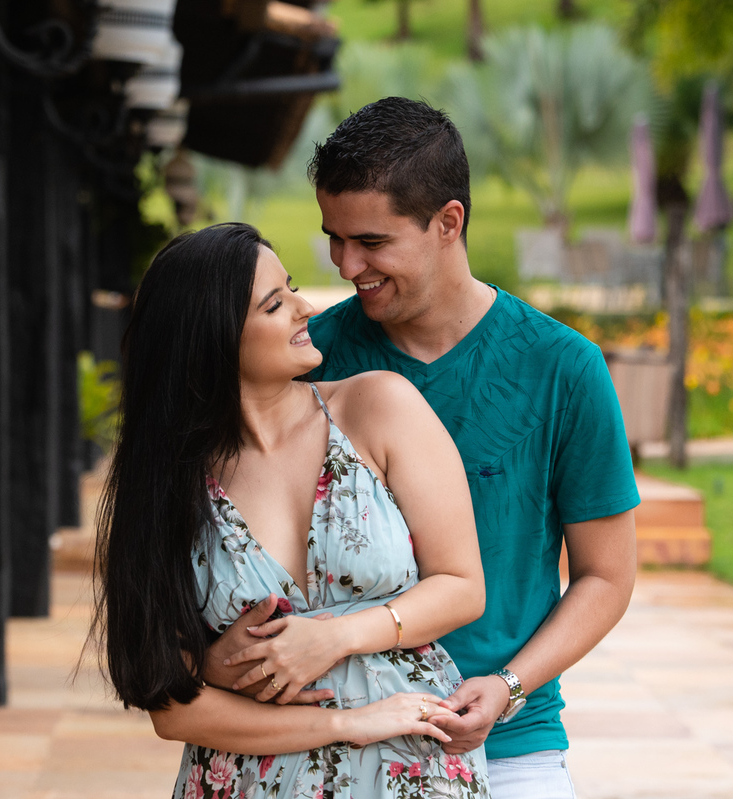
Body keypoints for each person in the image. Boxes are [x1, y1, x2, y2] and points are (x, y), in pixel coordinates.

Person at [207, 97, 640, 798]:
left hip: (510, 745)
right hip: (334, 746)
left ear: (448, 222)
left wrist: (510, 685)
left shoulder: (564, 368)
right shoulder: (309, 359)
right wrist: (217, 658)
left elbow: (607, 576)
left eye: (371, 241)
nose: (347, 265)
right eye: (333, 238)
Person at [93, 222, 492, 798]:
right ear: (214, 336)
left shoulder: (379, 407)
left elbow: (461, 587)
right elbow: (171, 706)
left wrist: (336, 638)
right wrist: (347, 725)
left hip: (407, 769)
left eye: (293, 289)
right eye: (275, 304)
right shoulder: (167, 483)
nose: (306, 309)